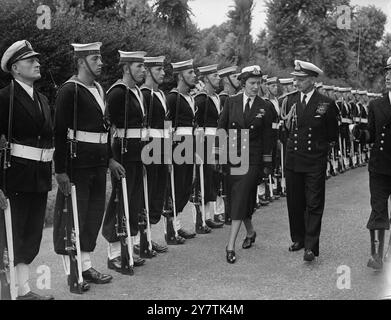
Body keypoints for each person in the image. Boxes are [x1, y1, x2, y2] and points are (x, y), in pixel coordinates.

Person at [53, 42, 122, 288]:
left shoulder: (99, 89)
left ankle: (86, 265)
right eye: (95, 59)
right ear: (81, 62)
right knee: (74, 218)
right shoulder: (69, 90)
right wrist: (59, 170)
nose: (101, 63)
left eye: (100, 58)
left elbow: (105, 131)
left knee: (92, 216)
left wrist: (110, 158)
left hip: (97, 164)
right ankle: (74, 273)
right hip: (77, 164)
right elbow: (60, 131)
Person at [0, 40, 54, 300]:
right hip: (14, 177)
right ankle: (13, 291)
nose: (37, 63)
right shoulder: (4, 98)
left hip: (40, 175)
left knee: (31, 234)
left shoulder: (42, 99)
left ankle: (23, 291)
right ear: (14, 68)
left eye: (37, 59)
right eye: (30, 60)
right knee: (14, 234)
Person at [283, 60, 338, 262]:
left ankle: (311, 246)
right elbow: (285, 131)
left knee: (314, 203)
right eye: (295, 79)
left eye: (301, 80)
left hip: (314, 160)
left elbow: (332, 134)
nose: (296, 83)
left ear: (312, 80)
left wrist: (320, 151)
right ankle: (298, 238)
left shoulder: (326, 103)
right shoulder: (289, 101)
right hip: (294, 159)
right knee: (295, 202)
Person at [218, 65, 273, 264]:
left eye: (258, 83)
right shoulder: (231, 102)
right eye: (252, 83)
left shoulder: (265, 106)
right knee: (238, 199)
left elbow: (268, 136)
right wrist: (219, 156)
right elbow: (222, 128)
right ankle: (250, 232)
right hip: (233, 156)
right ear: (243, 84)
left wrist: (267, 164)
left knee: (241, 195)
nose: (255, 87)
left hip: (253, 159)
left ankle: (230, 245)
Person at [102, 50, 149, 273]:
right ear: (125, 68)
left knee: (134, 200)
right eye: (138, 66)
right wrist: (109, 159)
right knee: (120, 200)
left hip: (138, 152)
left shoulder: (136, 92)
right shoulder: (117, 93)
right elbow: (105, 128)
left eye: (143, 66)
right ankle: (113, 254)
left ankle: (128, 248)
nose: (143, 70)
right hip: (121, 152)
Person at [352, 57, 391, 271]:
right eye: (386, 72)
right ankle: (376, 255)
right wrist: (360, 134)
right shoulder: (376, 104)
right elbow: (372, 135)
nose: (387, 76)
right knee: (378, 210)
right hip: (380, 167)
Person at [166, 59, 200, 242]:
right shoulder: (172, 98)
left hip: (189, 144)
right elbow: (167, 126)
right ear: (180, 76)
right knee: (176, 186)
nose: (194, 76)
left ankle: (177, 225)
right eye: (190, 73)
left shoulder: (190, 97)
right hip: (177, 145)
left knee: (186, 186)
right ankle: (171, 229)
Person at [139, 55, 169, 253]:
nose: (163, 73)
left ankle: (148, 237)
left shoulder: (161, 94)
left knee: (157, 193)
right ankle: (141, 239)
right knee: (146, 193)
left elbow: (166, 124)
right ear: (148, 71)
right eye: (159, 70)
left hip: (162, 148)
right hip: (148, 148)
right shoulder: (143, 94)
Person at [194, 64, 224, 230]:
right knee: (203, 179)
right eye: (214, 76)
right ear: (205, 79)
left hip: (215, 141)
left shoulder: (216, 97)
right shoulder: (201, 99)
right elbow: (197, 125)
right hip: (204, 142)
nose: (218, 78)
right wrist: (198, 150)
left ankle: (208, 216)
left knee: (212, 179)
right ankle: (200, 219)